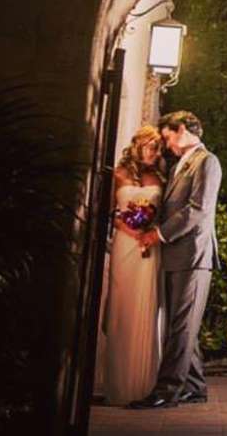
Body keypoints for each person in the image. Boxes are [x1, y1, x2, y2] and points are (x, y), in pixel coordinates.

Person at [130, 110, 222, 409]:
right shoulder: (182, 163)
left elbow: (198, 209)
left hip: (192, 255)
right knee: (181, 324)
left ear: (181, 129)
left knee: (181, 325)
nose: (167, 146)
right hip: (176, 255)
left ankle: (167, 391)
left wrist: (158, 234)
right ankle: (194, 387)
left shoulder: (207, 161)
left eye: (168, 138)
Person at [101, 125, 165, 405]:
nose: (155, 152)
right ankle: (115, 383)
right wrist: (130, 229)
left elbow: (165, 213)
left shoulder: (160, 177)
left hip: (149, 249)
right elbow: (108, 213)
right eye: (151, 146)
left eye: (159, 147)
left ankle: (141, 384)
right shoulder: (118, 174)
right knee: (121, 308)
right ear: (138, 145)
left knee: (144, 309)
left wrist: (148, 228)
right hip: (125, 245)